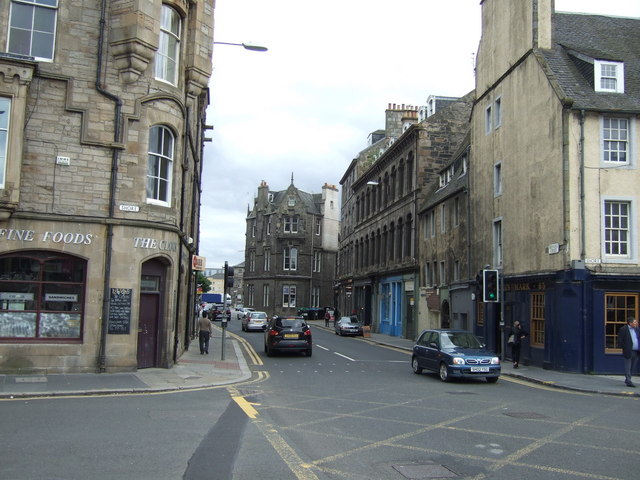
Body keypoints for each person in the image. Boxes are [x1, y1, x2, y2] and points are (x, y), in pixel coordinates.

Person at [617, 317, 639, 387]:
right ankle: (628, 381)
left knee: (632, 366)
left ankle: (628, 379)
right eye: (635, 322)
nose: (636, 323)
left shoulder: (637, 329)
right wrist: (625, 348)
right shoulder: (623, 329)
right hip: (628, 351)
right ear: (630, 323)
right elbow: (620, 340)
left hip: (637, 351)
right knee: (628, 366)